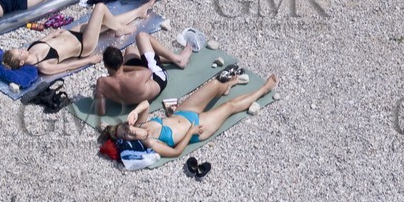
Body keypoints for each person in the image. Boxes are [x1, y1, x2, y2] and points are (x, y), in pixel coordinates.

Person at [105, 69, 278, 158]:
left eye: (126, 128)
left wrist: (136, 111)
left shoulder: (142, 124)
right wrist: (190, 132)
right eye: (127, 135)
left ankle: (226, 86)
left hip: (184, 112)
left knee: (216, 83)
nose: (130, 131)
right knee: (230, 106)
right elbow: (176, 152)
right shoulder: (151, 143)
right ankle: (263, 90)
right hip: (196, 128)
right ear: (128, 141)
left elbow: (145, 104)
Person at [0, 1, 159, 77]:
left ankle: (139, 12)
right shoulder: (43, 66)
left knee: (105, 20)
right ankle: (121, 29)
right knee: (100, 8)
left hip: (72, 33)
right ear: (21, 63)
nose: (22, 49)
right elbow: (68, 66)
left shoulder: (31, 49)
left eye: (18, 48)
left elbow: (47, 38)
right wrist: (89, 60)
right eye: (19, 52)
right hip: (84, 45)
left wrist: (54, 33)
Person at [93, 30, 193, 114]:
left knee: (131, 50)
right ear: (122, 61)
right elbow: (148, 71)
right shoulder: (136, 76)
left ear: (105, 65)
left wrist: (99, 94)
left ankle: (162, 58)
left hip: (129, 98)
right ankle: (178, 60)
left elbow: (101, 112)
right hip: (158, 78)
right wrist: (123, 68)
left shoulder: (101, 83)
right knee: (141, 36)